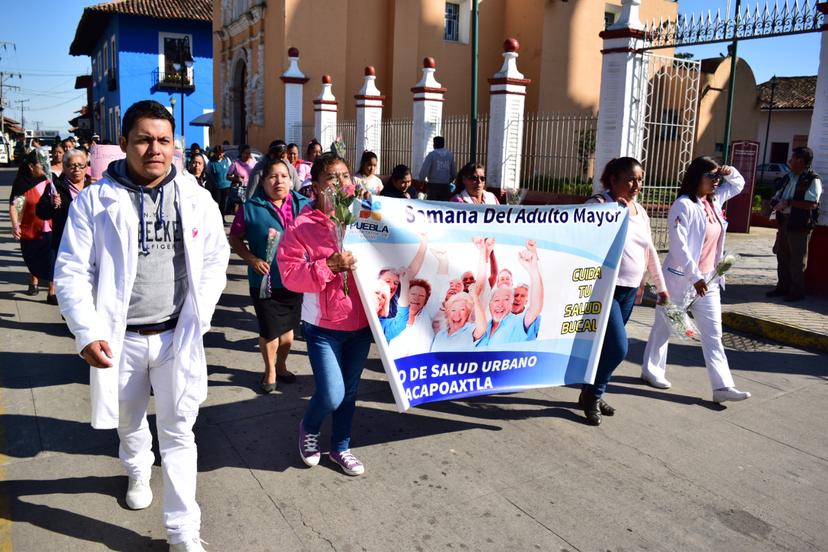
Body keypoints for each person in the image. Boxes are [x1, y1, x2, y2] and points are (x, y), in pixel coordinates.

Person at [54, 100, 229, 551]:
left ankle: (183, 531)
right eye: (144, 139)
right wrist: (86, 331)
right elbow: (73, 269)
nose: (155, 148)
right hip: (121, 338)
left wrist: (200, 313)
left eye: (164, 140)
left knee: (179, 432)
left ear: (175, 145)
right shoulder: (96, 200)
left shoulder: (195, 197)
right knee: (129, 420)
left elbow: (214, 259)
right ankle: (136, 467)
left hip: (177, 334)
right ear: (125, 144)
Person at [278, 153, 372, 476]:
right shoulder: (301, 227)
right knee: (333, 393)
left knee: (351, 391)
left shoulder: (363, 218)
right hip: (323, 328)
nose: (341, 183)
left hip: (361, 325)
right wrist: (330, 266)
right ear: (316, 186)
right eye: (332, 178)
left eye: (346, 176)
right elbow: (291, 275)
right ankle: (309, 426)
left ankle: (341, 447)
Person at [641, 156, 751, 404]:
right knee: (665, 327)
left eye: (717, 178)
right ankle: (651, 370)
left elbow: (738, 184)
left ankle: (722, 386)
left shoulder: (714, 200)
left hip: (709, 282)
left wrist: (728, 170)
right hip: (681, 279)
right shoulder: (683, 205)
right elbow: (679, 248)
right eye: (711, 177)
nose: (716, 181)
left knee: (713, 334)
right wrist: (695, 277)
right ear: (696, 178)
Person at [577, 157, 668, 426]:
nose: (636, 184)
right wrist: (611, 216)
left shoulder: (640, 211)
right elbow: (582, 239)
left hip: (631, 290)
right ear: (613, 179)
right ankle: (593, 395)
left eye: (640, 179)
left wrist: (661, 287)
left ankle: (590, 393)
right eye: (630, 178)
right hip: (605, 289)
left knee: (604, 349)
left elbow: (649, 250)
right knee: (619, 348)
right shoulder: (598, 205)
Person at [229, 157, 310, 393]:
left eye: (284, 176)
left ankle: (282, 364)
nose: (279, 181)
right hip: (264, 282)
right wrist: (252, 259)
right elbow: (235, 238)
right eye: (273, 176)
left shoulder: (303, 204)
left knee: (287, 335)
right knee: (269, 331)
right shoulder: (250, 208)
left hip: (294, 280)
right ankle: (270, 370)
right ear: (263, 180)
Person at [767, 147, 822, 302]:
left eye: (792, 158)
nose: (789, 161)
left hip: (799, 223)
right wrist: (775, 202)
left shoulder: (812, 179)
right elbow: (778, 194)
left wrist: (788, 202)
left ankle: (796, 291)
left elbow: (812, 204)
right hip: (784, 221)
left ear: (800, 161)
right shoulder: (788, 177)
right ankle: (782, 287)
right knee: (782, 255)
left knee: (797, 259)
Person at [36, 148, 90, 304]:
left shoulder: (94, 185)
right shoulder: (55, 188)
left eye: (81, 165)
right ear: (64, 167)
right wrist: (52, 205)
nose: (76, 169)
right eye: (72, 165)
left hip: (92, 244)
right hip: (65, 243)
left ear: (86, 166)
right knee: (71, 284)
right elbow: (41, 212)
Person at [476, 239, 543, 346]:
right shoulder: (482, 327)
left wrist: (533, 269)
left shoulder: (517, 322)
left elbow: (536, 305)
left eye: (507, 299)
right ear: (490, 303)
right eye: (497, 300)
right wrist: (486, 252)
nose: (500, 304)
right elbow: (482, 283)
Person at [8, 150, 55, 300]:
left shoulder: (50, 180)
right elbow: (16, 206)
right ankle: (33, 279)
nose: (45, 167)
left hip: (50, 227)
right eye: (41, 165)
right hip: (31, 229)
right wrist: (16, 225)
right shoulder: (23, 184)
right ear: (31, 166)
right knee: (34, 258)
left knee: (52, 259)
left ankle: (51, 291)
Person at [419, 136, 456, 201]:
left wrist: (421, 180)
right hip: (445, 185)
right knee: (444, 206)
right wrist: (450, 180)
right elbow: (453, 172)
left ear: (434, 144)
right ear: (443, 144)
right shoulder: (450, 155)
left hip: (433, 185)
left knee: (432, 205)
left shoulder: (432, 155)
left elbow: (424, 170)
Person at [207, 144, 232, 214]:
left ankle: (223, 216)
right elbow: (208, 173)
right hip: (217, 187)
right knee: (217, 203)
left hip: (227, 186)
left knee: (224, 203)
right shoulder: (211, 162)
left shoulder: (227, 160)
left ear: (223, 153)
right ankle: (217, 216)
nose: (219, 155)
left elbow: (231, 171)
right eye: (217, 153)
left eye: (220, 153)